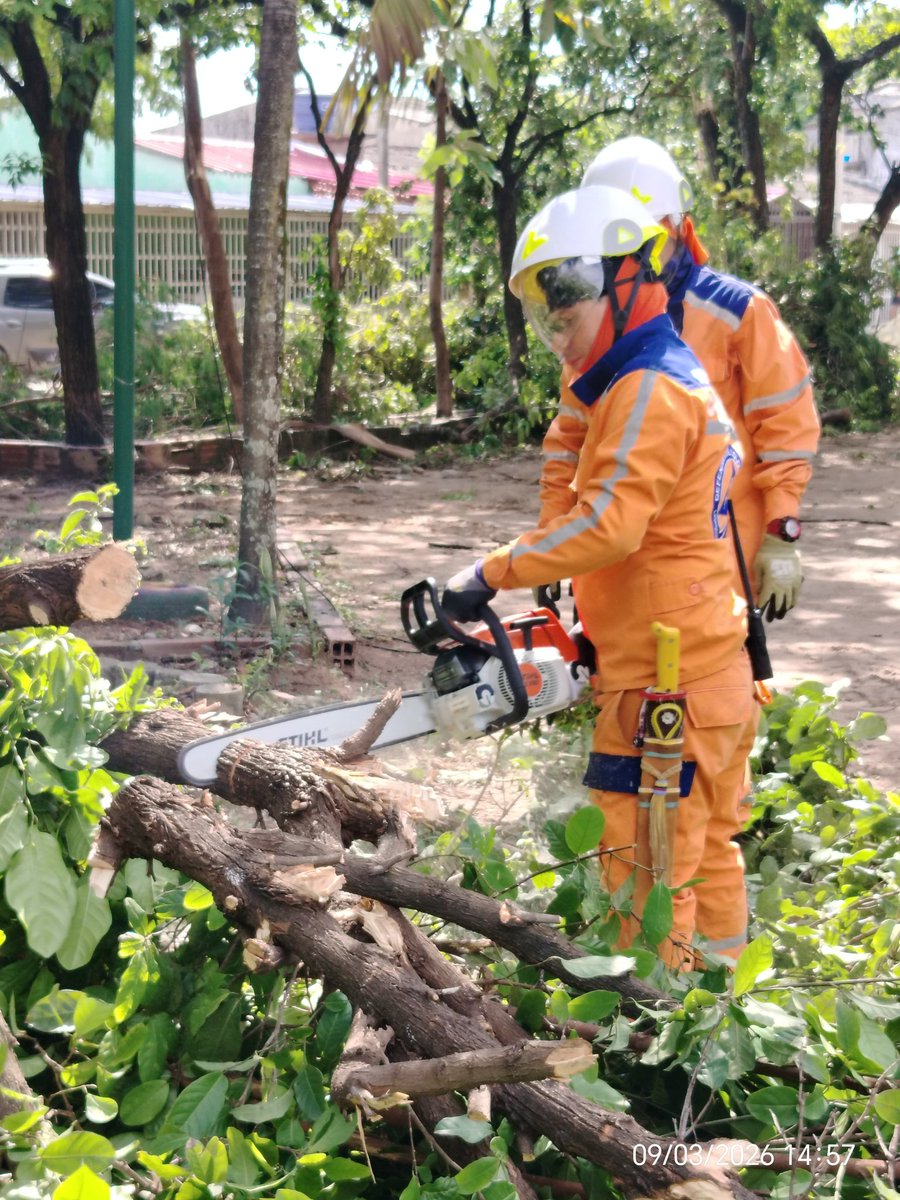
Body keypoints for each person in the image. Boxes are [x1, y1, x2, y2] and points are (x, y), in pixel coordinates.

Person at [440, 185, 756, 967]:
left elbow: (612, 522)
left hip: (665, 689)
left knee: (645, 882)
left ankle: (646, 1041)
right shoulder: (657, 372)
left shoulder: (646, 387)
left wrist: (492, 571)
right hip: (709, 669)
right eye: (546, 316)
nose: (558, 332)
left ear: (628, 275)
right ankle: (721, 1016)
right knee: (707, 855)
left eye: (567, 308)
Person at [539, 136, 820, 621]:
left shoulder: (737, 312)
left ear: (675, 226)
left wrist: (780, 531)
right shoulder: (596, 322)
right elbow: (570, 437)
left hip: (713, 555)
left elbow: (785, 425)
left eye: (641, 239)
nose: (633, 255)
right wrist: (551, 531)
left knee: (708, 686)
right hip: (617, 554)